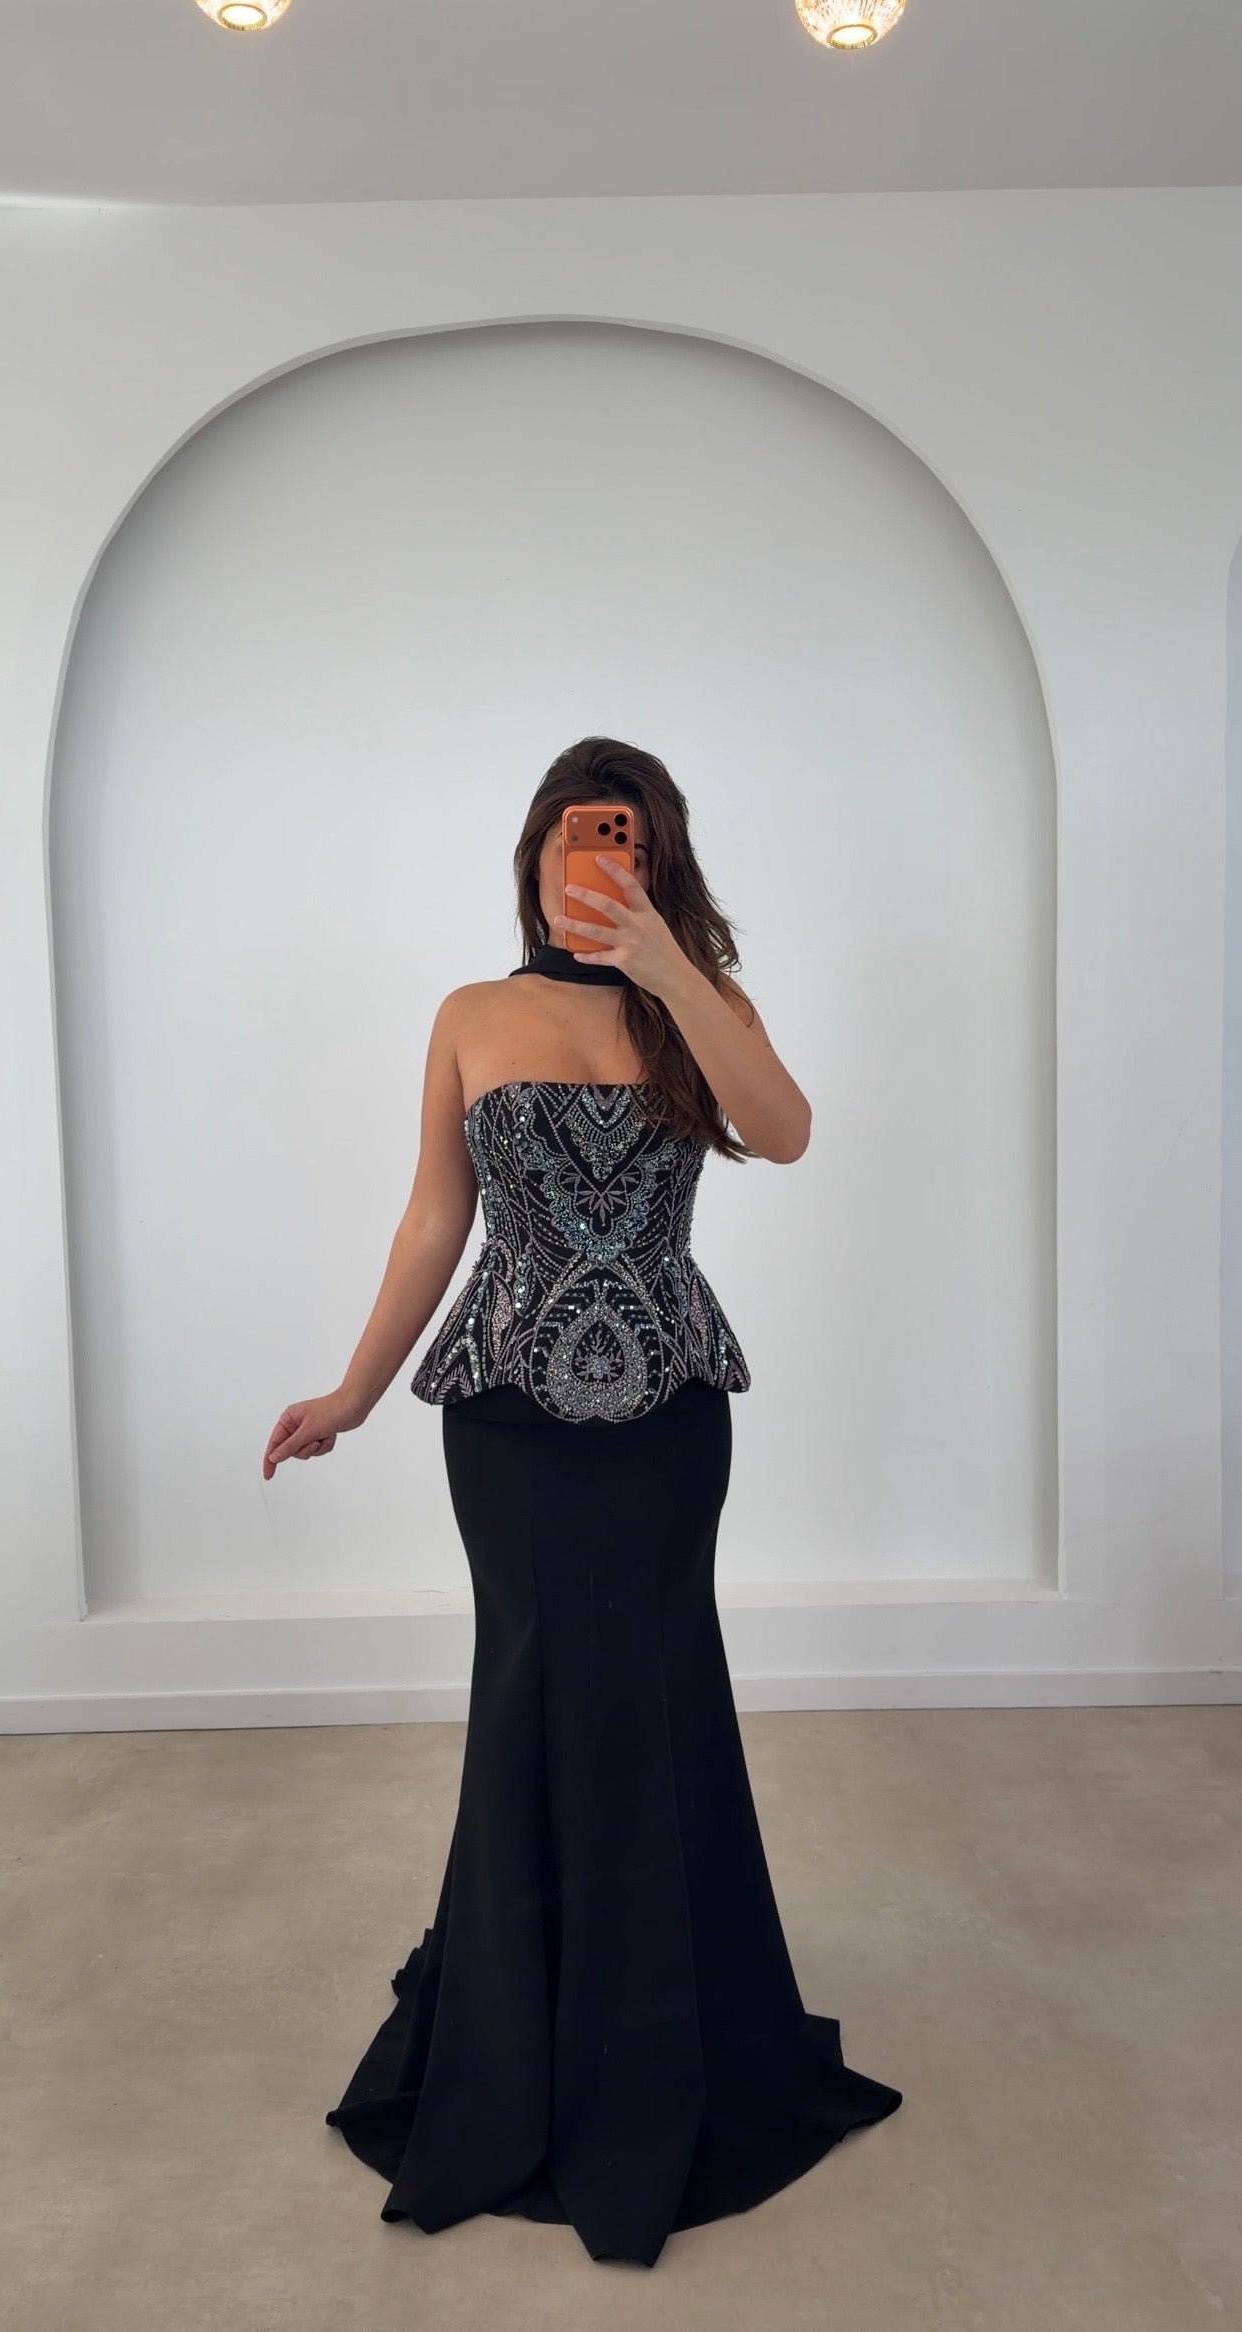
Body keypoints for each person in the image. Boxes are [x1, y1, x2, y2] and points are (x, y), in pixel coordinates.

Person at [262, 736, 902, 2266]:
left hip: (669, 1418)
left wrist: (669, 967)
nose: (588, 858)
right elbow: (437, 1220)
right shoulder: (473, 1014)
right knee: (533, 1697)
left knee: (661, 1697)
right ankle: (522, 2034)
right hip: (508, 1423)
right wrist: (353, 1391)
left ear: (653, 857)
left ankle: (672, 2040)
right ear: (535, 857)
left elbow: (788, 1130)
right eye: (567, 835)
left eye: (615, 837)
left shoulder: (702, 1006)